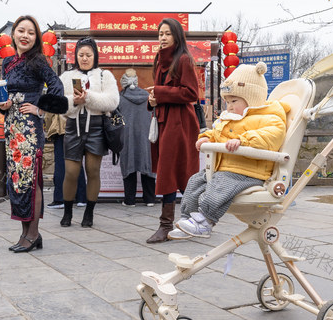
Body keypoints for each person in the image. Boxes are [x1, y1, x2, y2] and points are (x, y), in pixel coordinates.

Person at [170, 62, 287, 239]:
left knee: (220, 186)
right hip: (224, 168)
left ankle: (205, 221)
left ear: (252, 99)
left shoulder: (270, 118)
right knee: (195, 182)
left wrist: (242, 140)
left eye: (234, 101)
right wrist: (207, 138)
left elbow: (272, 136)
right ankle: (188, 219)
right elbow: (217, 132)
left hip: (247, 171)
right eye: (227, 102)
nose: (229, 106)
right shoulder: (230, 119)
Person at [0, 15, 68, 252]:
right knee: (17, 181)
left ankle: (33, 234)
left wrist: (40, 108)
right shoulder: (8, 63)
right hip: (12, 127)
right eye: (21, 31)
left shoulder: (37, 61)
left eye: (31, 32)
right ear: (13, 33)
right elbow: (6, 94)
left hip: (29, 128)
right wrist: (3, 105)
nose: (25, 36)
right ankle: (25, 233)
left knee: (31, 180)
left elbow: (57, 87)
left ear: (36, 37)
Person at [146, 17, 201, 243]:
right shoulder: (159, 60)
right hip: (163, 120)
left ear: (177, 36)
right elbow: (158, 94)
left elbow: (191, 94)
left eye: (167, 33)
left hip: (180, 123)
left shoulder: (184, 59)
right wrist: (152, 100)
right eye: (160, 34)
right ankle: (183, 223)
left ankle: (170, 225)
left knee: (175, 171)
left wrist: (159, 92)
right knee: (167, 170)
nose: (163, 38)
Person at [57, 37, 119, 228]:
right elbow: (59, 104)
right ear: (75, 56)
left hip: (96, 126)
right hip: (73, 126)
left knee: (93, 171)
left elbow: (112, 101)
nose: (84, 58)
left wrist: (88, 98)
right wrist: (74, 101)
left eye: (88, 55)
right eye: (81, 55)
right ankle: (67, 211)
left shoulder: (104, 75)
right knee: (71, 172)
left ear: (95, 56)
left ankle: (89, 212)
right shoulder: (66, 76)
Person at [117, 68, 157, 207]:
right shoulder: (147, 97)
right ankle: (150, 199)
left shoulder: (119, 98)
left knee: (129, 165)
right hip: (147, 138)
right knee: (148, 164)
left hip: (127, 138)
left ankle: (129, 200)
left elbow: (114, 120)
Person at [43, 111, 87, 209]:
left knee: (60, 163)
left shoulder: (56, 94)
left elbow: (49, 114)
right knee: (76, 161)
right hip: (77, 128)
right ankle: (81, 198)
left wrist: (49, 128)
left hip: (61, 129)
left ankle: (60, 199)